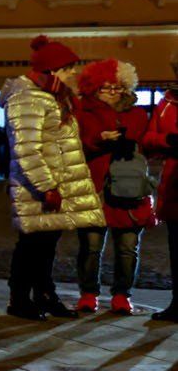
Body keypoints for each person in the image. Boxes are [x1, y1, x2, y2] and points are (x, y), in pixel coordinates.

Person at [2, 35, 104, 320]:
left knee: (46, 246)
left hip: (55, 186)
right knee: (31, 245)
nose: (73, 73)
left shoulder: (54, 96)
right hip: (37, 188)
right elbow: (27, 148)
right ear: (52, 70)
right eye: (68, 68)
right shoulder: (28, 97)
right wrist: (46, 186)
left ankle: (45, 294)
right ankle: (20, 299)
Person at [73, 59, 157, 315]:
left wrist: (134, 146)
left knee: (127, 248)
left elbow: (148, 146)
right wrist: (98, 140)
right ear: (94, 88)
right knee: (90, 247)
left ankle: (122, 295)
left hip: (129, 190)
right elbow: (73, 147)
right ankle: (88, 293)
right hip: (93, 188)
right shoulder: (82, 113)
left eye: (117, 87)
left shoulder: (138, 114)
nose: (112, 92)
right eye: (106, 87)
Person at [142, 77, 178, 322]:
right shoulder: (166, 103)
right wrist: (167, 140)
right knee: (176, 248)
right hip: (175, 186)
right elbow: (148, 138)